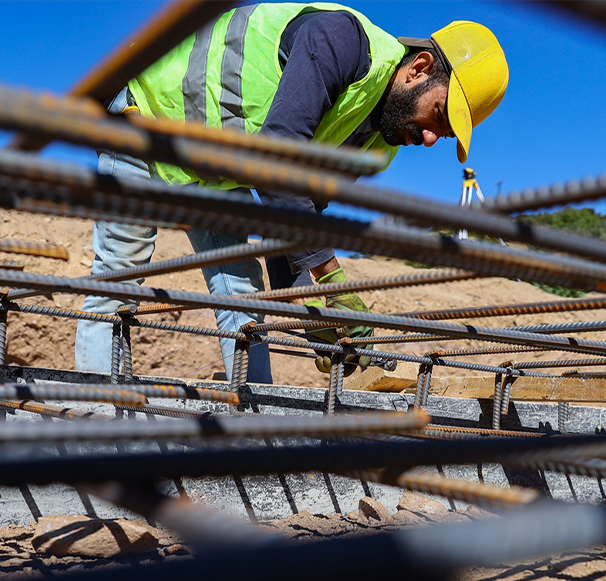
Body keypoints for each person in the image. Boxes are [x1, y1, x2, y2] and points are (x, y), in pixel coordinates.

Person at [75, 2, 508, 383]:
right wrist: (332, 281)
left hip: (216, 172)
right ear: (419, 68)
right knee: (119, 274)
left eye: (445, 134)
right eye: (437, 116)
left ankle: (255, 418)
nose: (431, 139)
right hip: (148, 120)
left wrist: (312, 314)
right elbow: (276, 163)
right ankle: (94, 415)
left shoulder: (377, 142)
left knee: (243, 294)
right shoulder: (341, 40)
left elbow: (295, 217)